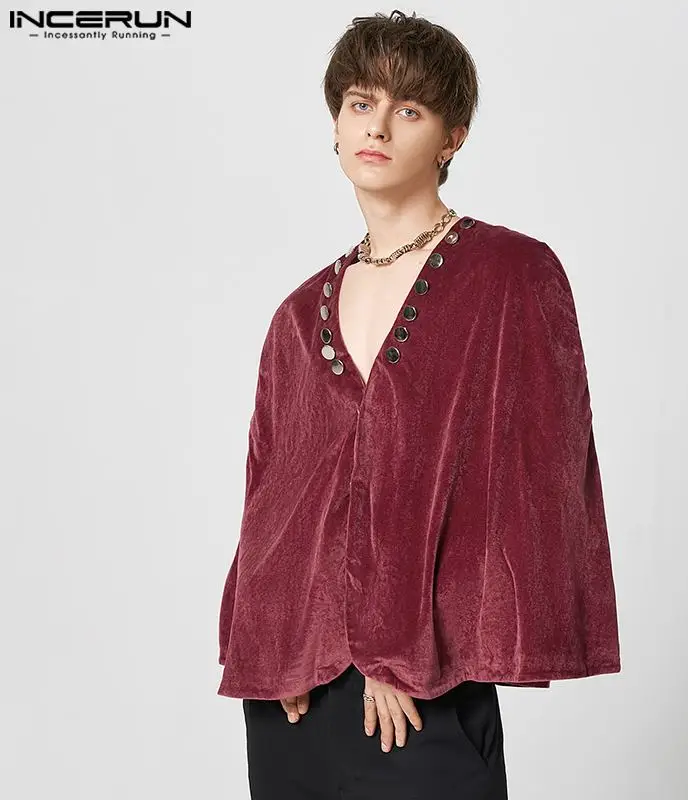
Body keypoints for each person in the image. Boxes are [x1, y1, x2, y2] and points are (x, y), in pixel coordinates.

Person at [217, 10, 621, 799]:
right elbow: (270, 498)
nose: (377, 127)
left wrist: (396, 646)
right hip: (294, 694)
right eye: (361, 103)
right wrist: (273, 647)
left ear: (451, 138)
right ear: (336, 124)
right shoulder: (297, 315)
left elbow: (531, 476)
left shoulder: (511, 275)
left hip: (425, 683)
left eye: (409, 109)